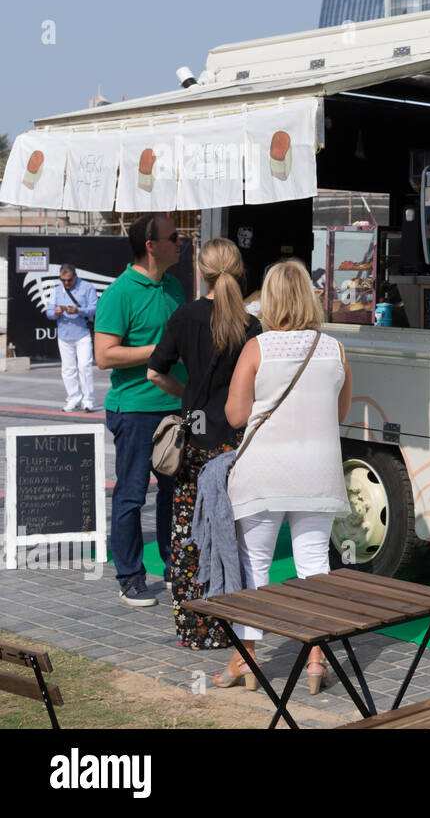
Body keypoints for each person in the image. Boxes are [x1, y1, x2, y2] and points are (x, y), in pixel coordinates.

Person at [216, 259, 353, 692]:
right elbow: (340, 413)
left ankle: (247, 658)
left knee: (254, 563)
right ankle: (316, 658)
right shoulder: (334, 348)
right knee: (315, 564)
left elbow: (236, 415)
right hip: (318, 472)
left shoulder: (257, 349)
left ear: (270, 300)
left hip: (264, 473)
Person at [146, 239, 262, 650]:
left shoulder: (185, 315)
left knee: (188, 536)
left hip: (195, 438)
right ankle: (234, 627)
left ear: (202, 269)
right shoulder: (250, 326)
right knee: (234, 536)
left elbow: (154, 372)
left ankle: (196, 630)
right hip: (235, 445)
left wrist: (186, 395)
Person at [94, 213, 186, 607]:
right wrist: (158, 351)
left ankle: (172, 568)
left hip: (175, 407)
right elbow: (104, 355)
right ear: (151, 245)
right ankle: (130, 577)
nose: (181, 241)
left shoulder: (176, 286)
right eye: (173, 237)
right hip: (134, 411)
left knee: (174, 494)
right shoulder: (119, 293)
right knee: (131, 495)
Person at [47, 263, 98, 412]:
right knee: (68, 369)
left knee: (85, 366)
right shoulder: (57, 291)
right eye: (63, 280)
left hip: (82, 332)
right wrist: (55, 312)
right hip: (64, 333)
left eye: (69, 280)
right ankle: (73, 398)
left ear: (75, 276)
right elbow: (48, 311)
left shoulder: (87, 287)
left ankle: (88, 400)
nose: (66, 283)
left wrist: (78, 310)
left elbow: (95, 308)